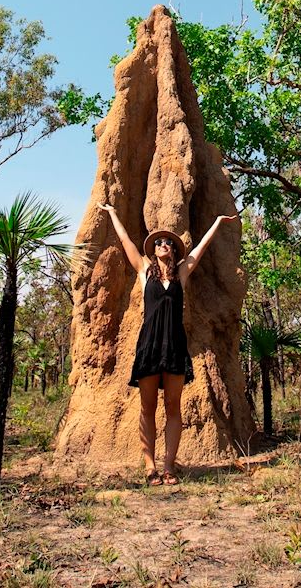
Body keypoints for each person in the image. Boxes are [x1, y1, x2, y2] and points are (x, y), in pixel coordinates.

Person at [99, 203, 238, 485]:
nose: (162, 244)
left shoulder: (182, 274)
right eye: (158, 242)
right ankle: (150, 467)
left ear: (174, 250)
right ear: (153, 250)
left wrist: (218, 222)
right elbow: (126, 241)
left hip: (174, 345)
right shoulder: (143, 270)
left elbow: (200, 248)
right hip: (149, 345)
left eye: (167, 243)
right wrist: (113, 213)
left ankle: (169, 467)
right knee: (147, 408)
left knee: (173, 408)